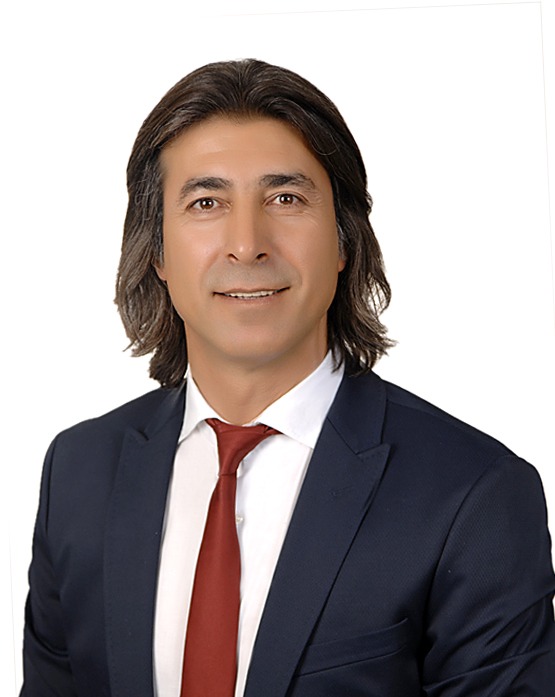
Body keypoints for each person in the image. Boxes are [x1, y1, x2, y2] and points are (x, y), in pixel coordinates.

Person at [21, 59, 554, 697]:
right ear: (156, 250)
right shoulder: (78, 473)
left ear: (344, 241)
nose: (247, 244)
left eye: (286, 199)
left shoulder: (476, 496)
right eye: (206, 202)